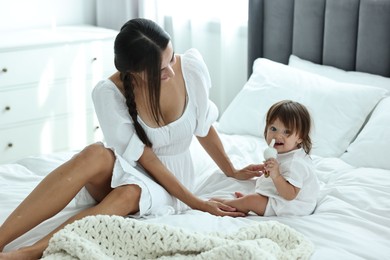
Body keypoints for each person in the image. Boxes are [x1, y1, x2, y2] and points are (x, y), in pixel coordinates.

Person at [0, 18, 262, 259]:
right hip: (135, 168)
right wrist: (197, 202)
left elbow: (204, 126)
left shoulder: (190, 68)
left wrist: (231, 170)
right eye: (159, 70)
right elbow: (143, 158)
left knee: (130, 192)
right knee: (94, 153)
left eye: (171, 59)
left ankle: (30, 252)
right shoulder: (109, 92)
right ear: (134, 72)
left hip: (170, 181)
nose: (170, 72)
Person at [212, 100, 320, 216]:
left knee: (251, 200)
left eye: (286, 132)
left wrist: (276, 175)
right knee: (253, 199)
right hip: (283, 198)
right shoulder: (284, 152)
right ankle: (246, 203)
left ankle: (231, 204)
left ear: (300, 138)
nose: (277, 136)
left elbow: (290, 195)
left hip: (294, 206)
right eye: (273, 129)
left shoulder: (296, 163)